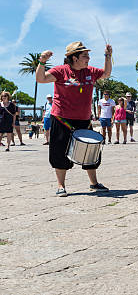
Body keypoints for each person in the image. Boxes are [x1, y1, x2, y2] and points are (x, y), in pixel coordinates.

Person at [35, 41, 112, 196]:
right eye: (85, 55)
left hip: (84, 120)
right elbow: (41, 79)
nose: (88, 58)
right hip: (62, 119)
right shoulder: (61, 71)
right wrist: (42, 61)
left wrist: (108, 56)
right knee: (59, 152)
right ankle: (61, 186)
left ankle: (94, 183)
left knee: (91, 152)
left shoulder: (90, 71)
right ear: (74, 58)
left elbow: (106, 73)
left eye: (88, 55)